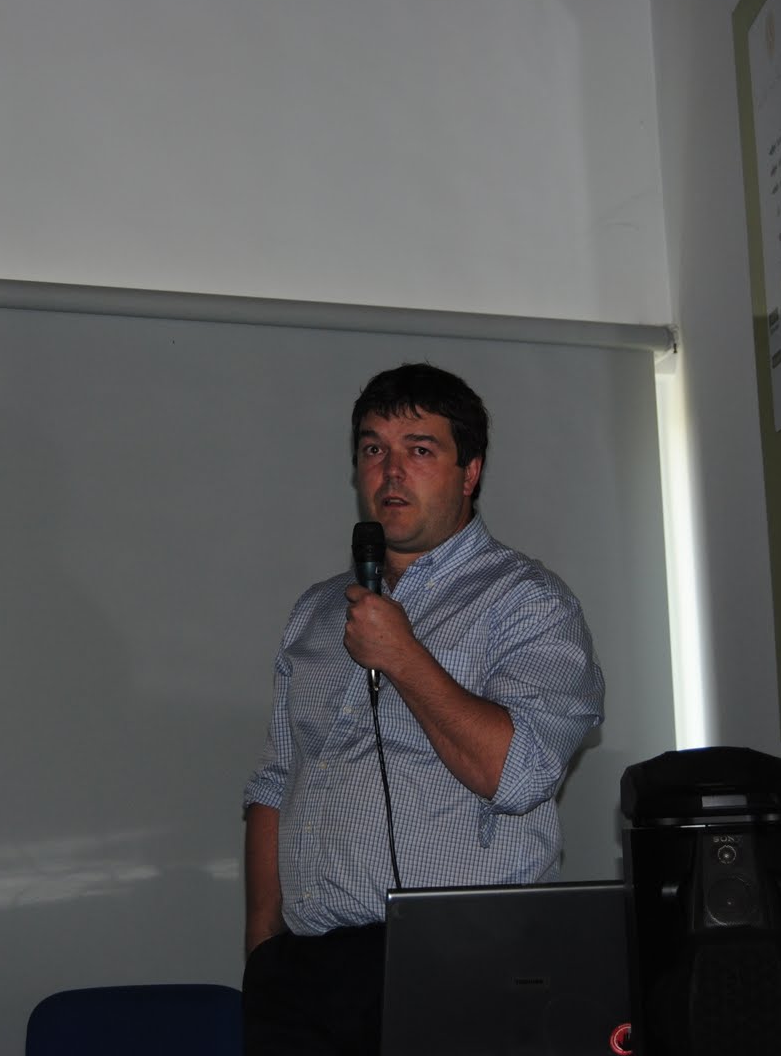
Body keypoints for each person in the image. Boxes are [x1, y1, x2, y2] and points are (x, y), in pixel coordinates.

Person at [240, 362, 606, 1054]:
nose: (391, 471)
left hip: (463, 965)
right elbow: (275, 781)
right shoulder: (316, 611)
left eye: (420, 449)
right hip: (304, 975)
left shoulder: (528, 602)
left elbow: (520, 772)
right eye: (373, 448)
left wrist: (404, 656)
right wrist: (263, 948)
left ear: (470, 473)